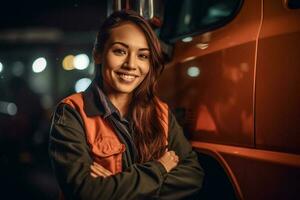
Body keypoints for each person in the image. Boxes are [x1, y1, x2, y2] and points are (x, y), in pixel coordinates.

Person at [49, 10, 204, 200]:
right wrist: (160, 168)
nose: (131, 64)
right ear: (98, 54)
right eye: (120, 51)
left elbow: (194, 176)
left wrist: (115, 185)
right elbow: (86, 192)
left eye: (143, 56)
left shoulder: (160, 112)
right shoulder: (71, 112)